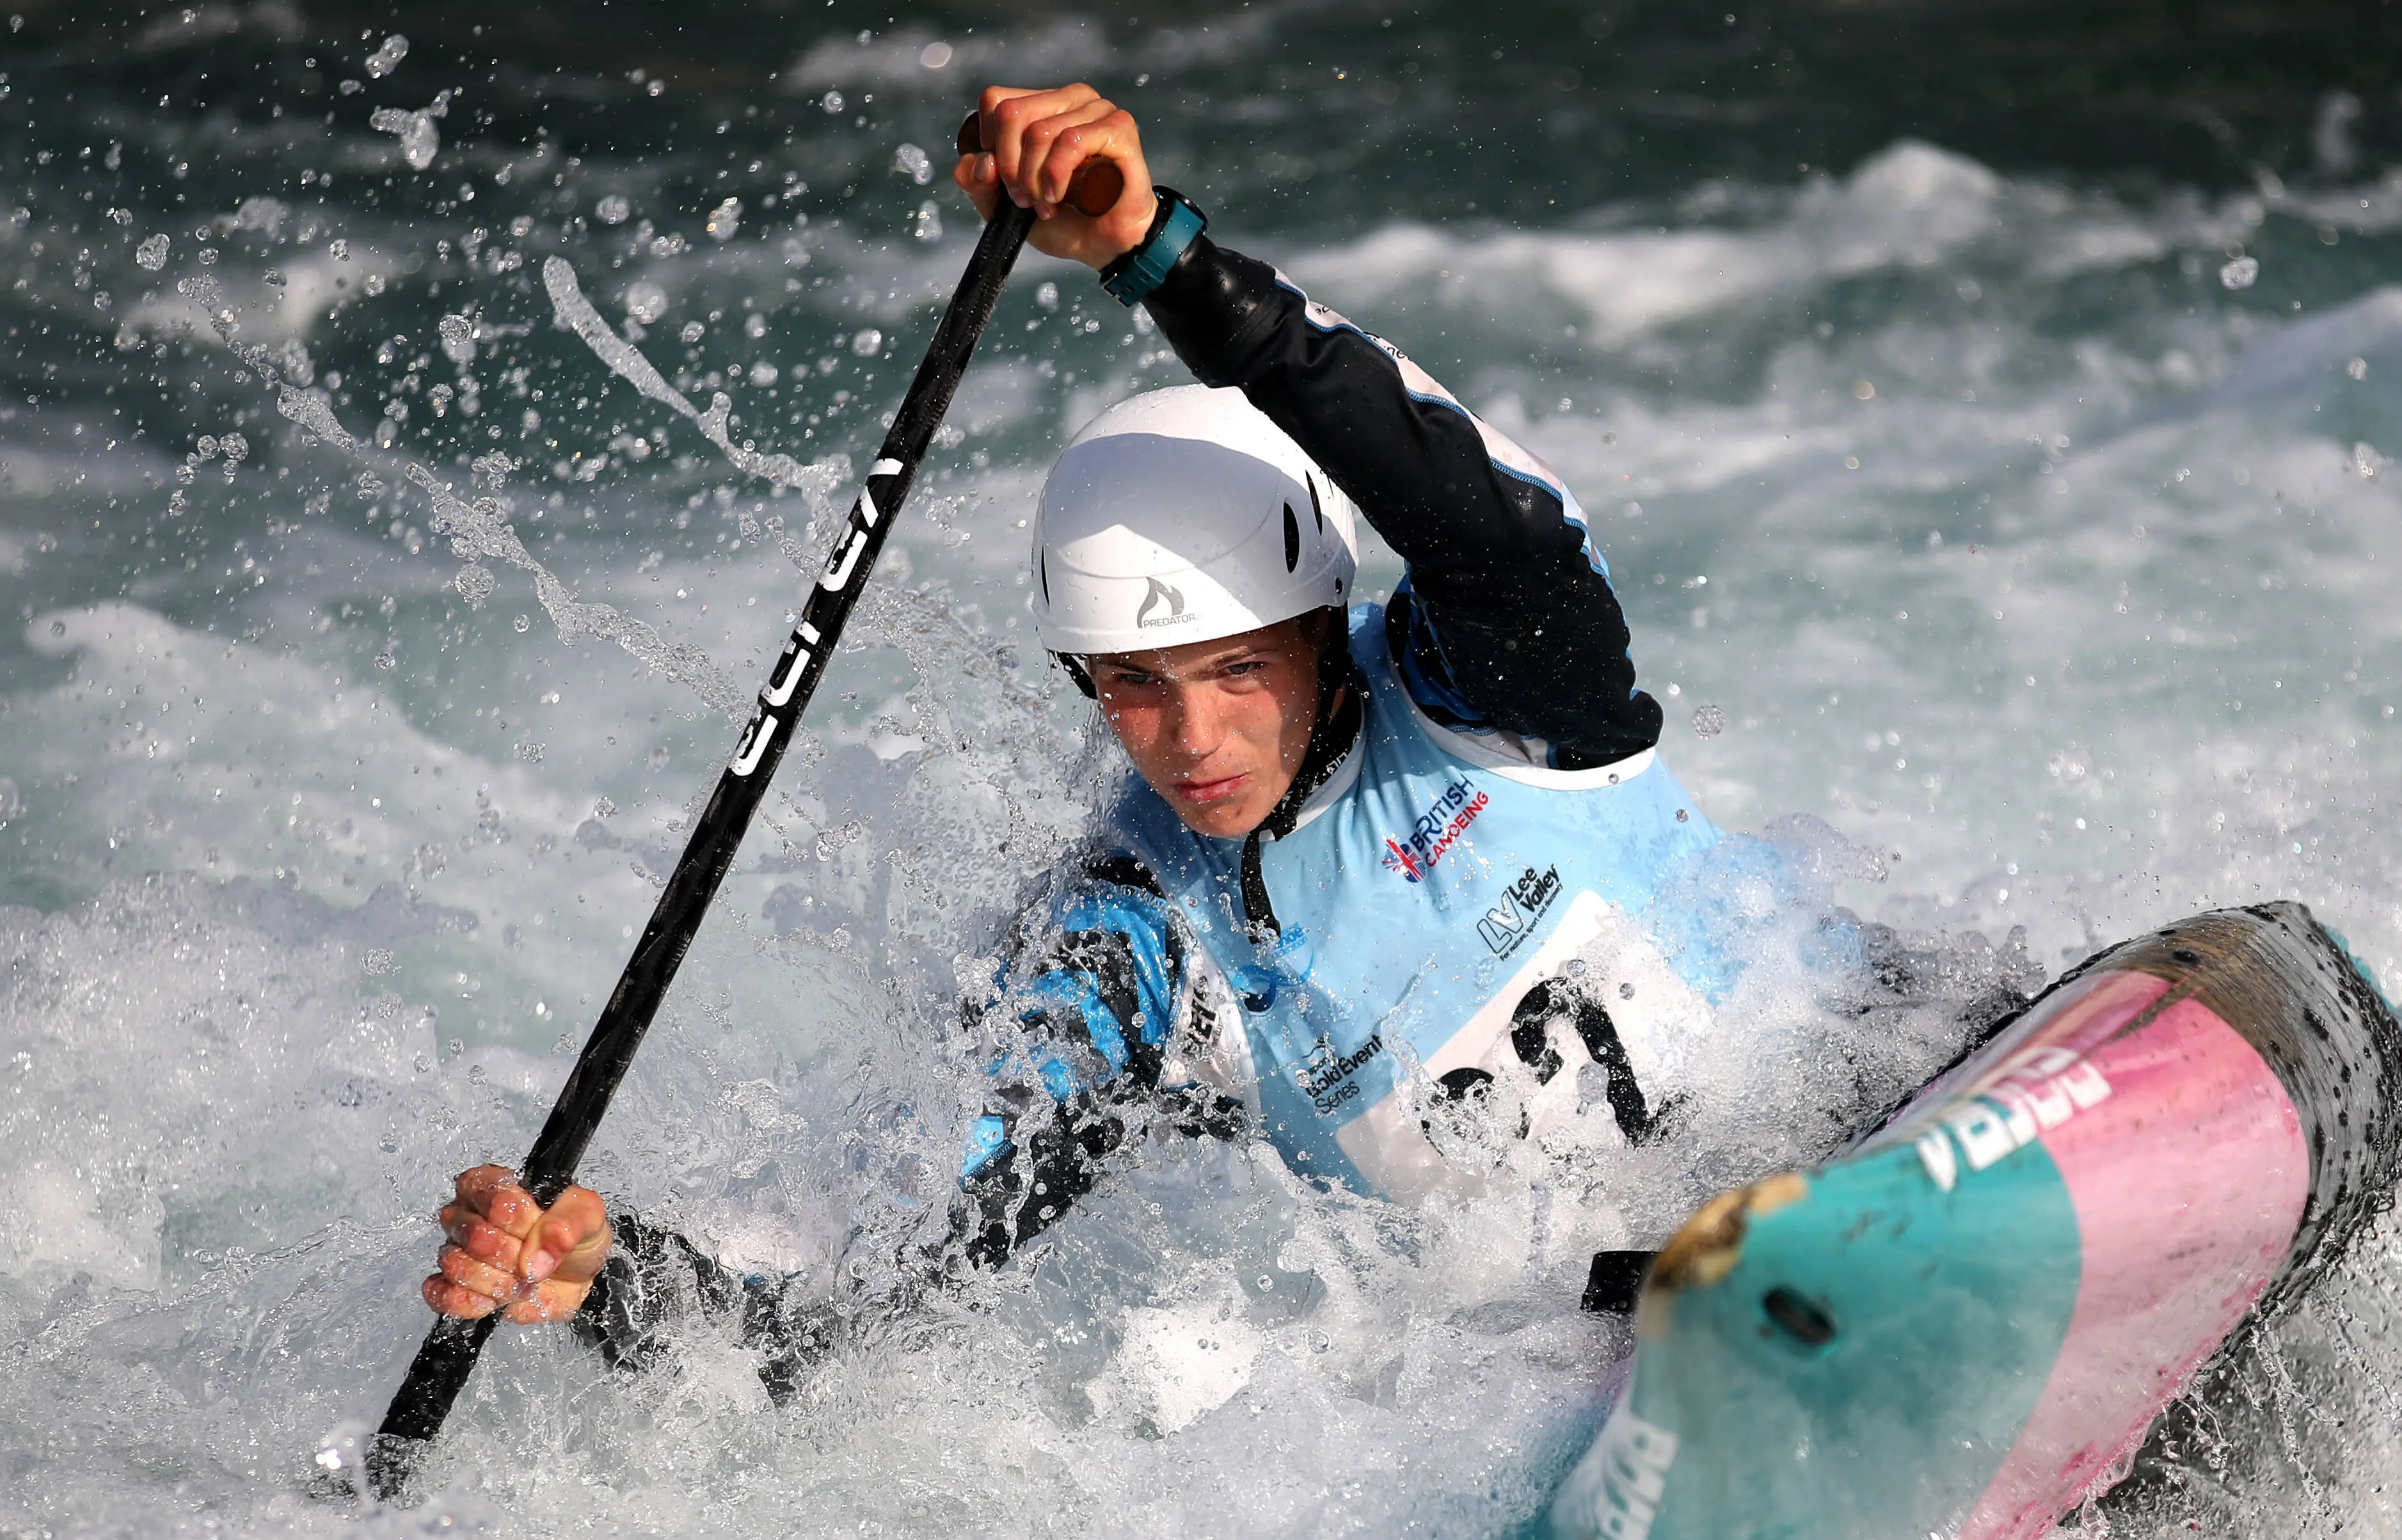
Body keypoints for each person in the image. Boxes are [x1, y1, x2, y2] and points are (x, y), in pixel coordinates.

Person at [424, 83, 1748, 1354]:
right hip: (1617, 1342)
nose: (1191, 741)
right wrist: (606, 1273)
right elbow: (852, 1284)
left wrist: (1159, 256)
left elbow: (1476, 505)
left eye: (1239, 669)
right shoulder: (1144, 940)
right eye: (1134, 685)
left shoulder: (1494, 696)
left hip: (1884, 1116)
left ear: (1321, 627)